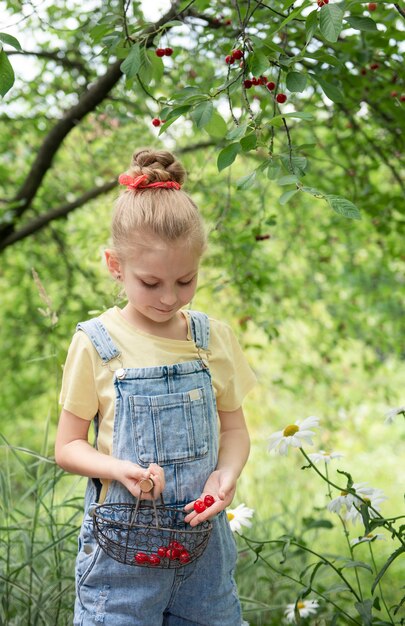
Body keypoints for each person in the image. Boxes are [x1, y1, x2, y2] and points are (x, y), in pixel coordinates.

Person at [55, 147, 256, 626]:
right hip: (122, 557)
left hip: (204, 557)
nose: (169, 298)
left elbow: (234, 432)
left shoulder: (212, 340)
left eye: (185, 281)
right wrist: (119, 469)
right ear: (115, 265)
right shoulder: (96, 344)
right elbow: (67, 447)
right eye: (151, 283)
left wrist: (224, 477)